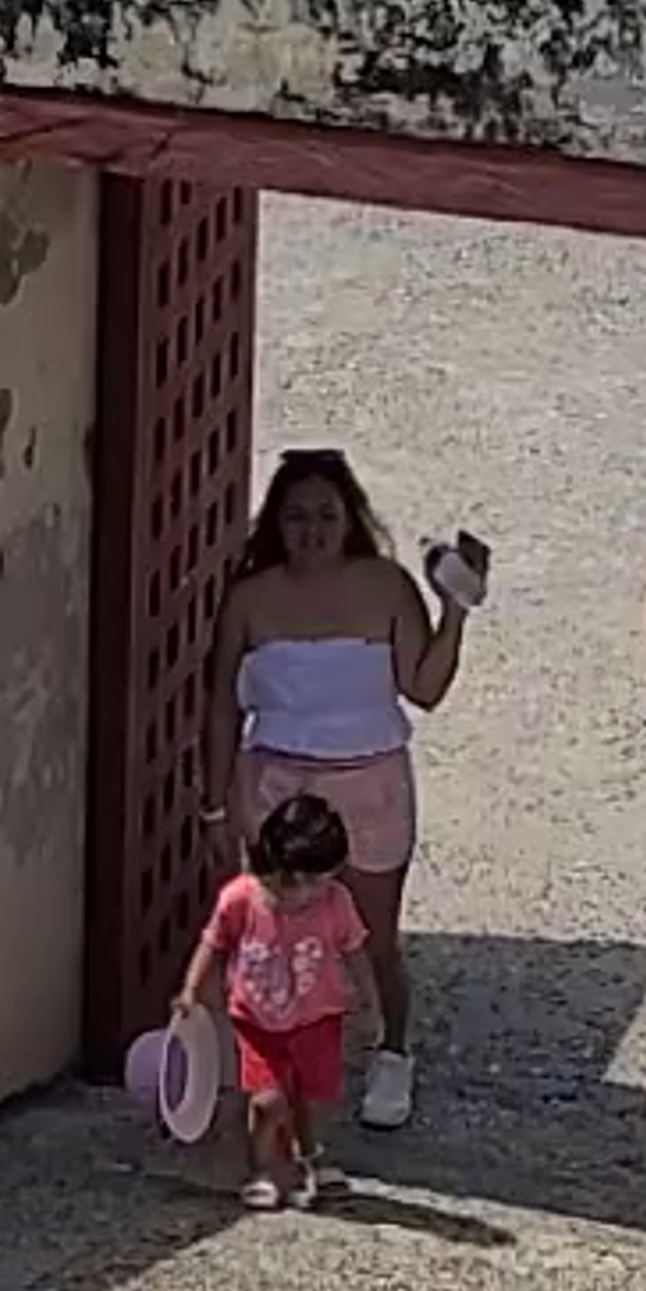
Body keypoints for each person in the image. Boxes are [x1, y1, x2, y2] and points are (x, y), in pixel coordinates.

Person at [209, 443, 469, 1131]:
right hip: (276, 781)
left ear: (348, 516)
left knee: (372, 934)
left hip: (370, 779)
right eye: (297, 517)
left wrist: (457, 612)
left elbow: (426, 687)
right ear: (276, 523)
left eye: (325, 514)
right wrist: (216, 799)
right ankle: (277, 1060)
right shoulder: (250, 599)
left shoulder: (386, 586)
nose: (312, 530)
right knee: (277, 928)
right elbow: (221, 705)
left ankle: (392, 1051)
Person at [179, 788, 375, 1218]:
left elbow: (355, 951)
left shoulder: (336, 903)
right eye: (293, 879)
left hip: (319, 1017)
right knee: (268, 1101)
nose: (304, 892)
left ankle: (311, 1155)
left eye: (317, 879)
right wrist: (192, 991)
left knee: (312, 1096)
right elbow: (213, 943)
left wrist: (368, 1003)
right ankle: (262, 1168)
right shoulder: (241, 898)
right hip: (257, 1019)